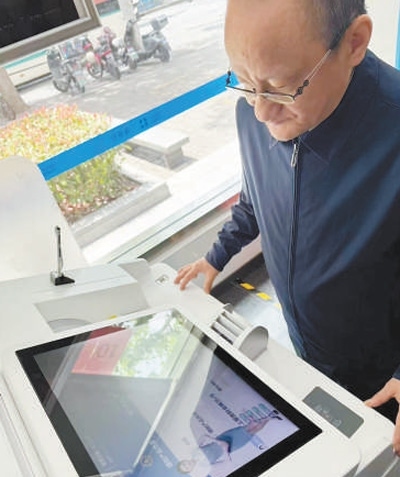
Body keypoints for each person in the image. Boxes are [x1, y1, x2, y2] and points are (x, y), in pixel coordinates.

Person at [174, 0, 400, 455]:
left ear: (354, 42)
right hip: (310, 351)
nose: (260, 112)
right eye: (243, 80)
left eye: (279, 88)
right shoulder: (256, 108)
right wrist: (217, 256)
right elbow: (257, 196)